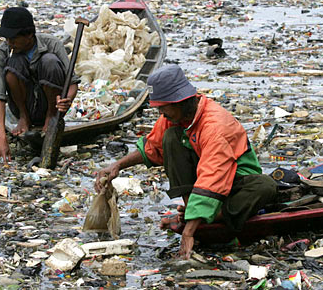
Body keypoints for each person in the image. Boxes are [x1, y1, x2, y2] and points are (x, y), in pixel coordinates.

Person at [95, 64, 277, 259]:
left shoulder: (215, 126)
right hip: (206, 184)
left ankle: (209, 215)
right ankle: (194, 211)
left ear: (179, 101)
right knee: (171, 137)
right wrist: (117, 165)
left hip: (235, 184)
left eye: (163, 108)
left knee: (265, 186)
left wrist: (189, 232)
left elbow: (212, 178)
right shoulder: (174, 118)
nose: (161, 114)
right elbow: (153, 147)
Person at [0, 7, 79, 166]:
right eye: (7, 39)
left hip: (51, 106)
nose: (9, 43)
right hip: (23, 106)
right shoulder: (3, 52)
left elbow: (72, 83)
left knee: (49, 61)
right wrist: (1, 138)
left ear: (29, 35)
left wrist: (67, 100)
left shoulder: (53, 44)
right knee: (14, 63)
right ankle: (24, 118)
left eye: (14, 39)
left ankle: (49, 117)